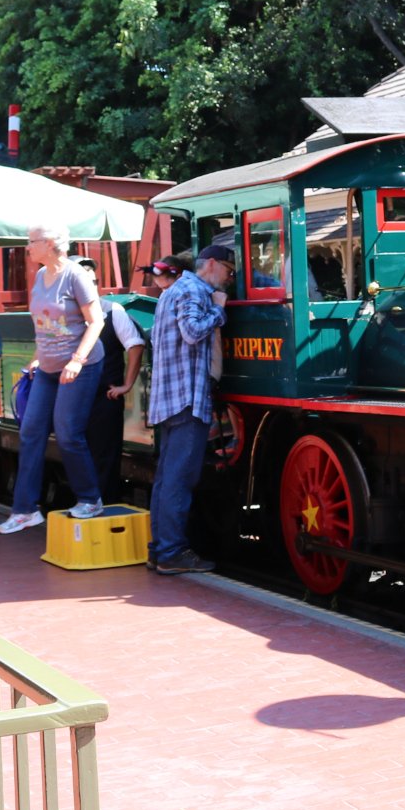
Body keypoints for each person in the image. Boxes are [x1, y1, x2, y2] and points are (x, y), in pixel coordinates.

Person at [0, 223, 108, 533]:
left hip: (80, 366)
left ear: (50, 244)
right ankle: (25, 510)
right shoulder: (39, 277)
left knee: (67, 433)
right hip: (47, 368)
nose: (27, 247)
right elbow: (45, 324)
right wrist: (37, 355)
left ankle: (90, 499)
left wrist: (77, 360)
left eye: (31, 241)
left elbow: (96, 321)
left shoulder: (76, 275)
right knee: (30, 431)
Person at [145, 245, 233, 574]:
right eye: (227, 268)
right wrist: (219, 311)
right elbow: (193, 332)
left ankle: (160, 549)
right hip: (186, 398)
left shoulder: (175, 288)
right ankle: (171, 552)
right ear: (211, 264)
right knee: (179, 479)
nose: (228, 276)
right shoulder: (196, 290)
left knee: (167, 478)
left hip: (169, 398)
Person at [76, 257, 147, 505]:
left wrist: (126, 385)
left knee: (103, 458)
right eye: (85, 281)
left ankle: (102, 509)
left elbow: (135, 345)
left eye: (94, 281)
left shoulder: (112, 310)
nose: (92, 286)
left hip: (103, 397)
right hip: (74, 397)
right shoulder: (66, 316)